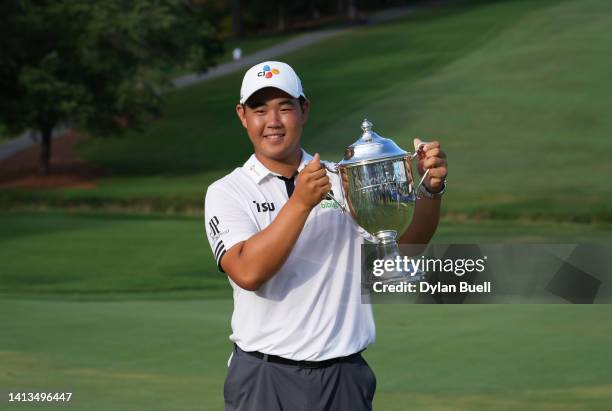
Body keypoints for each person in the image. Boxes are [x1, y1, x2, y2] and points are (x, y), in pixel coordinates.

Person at [204, 61, 448, 411]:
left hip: (343, 377)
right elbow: (248, 272)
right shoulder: (227, 191)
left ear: (304, 110)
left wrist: (430, 191)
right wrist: (301, 203)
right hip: (264, 379)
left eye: (285, 108)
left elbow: (400, 254)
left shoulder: (345, 179)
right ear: (242, 115)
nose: (272, 121)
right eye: (259, 110)